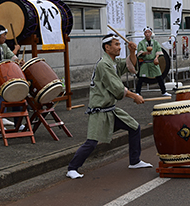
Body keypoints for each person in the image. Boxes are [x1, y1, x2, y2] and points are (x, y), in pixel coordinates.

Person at [66, 33, 153, 179]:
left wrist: (132, 52)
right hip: (99, 110)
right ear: (107, 47)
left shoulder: (112, 62)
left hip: (111, 109)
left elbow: (130, 66)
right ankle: (72, 168)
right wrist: (134, 96)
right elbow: (117, 88)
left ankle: (135, 160)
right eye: (116, 45)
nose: (119, 47)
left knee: (134, 127)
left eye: (120, 44)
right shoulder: (104, 64)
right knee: (92, 143)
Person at [135, 26, 171, 97]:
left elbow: (158, 50)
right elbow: (139, 52)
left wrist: (156, 58)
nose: (147, 34)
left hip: (153, 62)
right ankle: (137, 92)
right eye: (146, 32)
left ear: (151, 33)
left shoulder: (155, 42)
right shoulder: (141, 43)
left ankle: (164, 92)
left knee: (159, 77)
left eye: (149, 32)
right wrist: (145, 53)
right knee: (141, 78)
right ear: (144, 34)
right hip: (145, 62)